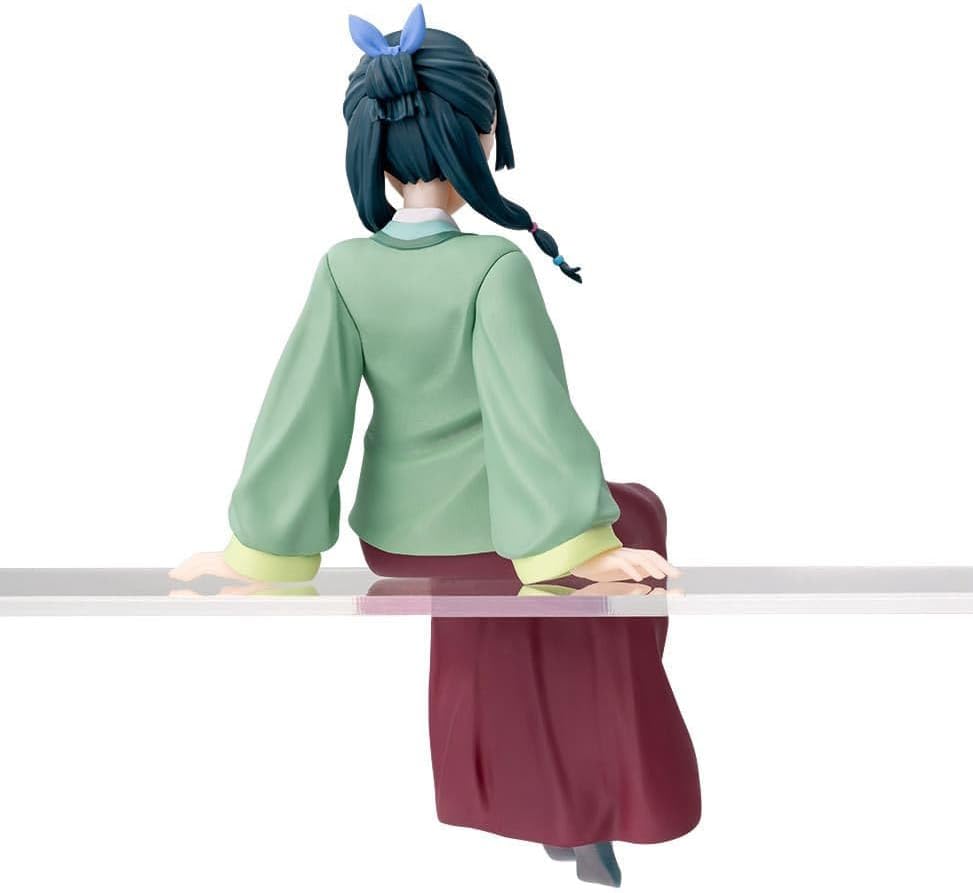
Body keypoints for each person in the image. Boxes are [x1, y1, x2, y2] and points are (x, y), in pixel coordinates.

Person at [171, 6, 700, 886]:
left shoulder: (344, 267)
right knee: (630, 520)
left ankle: (547, 800)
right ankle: (592, 802)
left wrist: (258, 549)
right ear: (478, 140)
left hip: (397, 538)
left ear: (373, 148)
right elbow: (533, 412)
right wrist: (579, 540)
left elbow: (304, 411)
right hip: (495, 532)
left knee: (544, 585)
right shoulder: (493, 268)